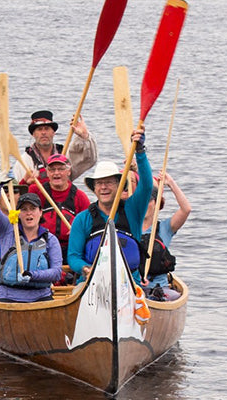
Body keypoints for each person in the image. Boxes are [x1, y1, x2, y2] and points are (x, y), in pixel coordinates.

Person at [65, 129, 154, 284]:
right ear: (94, 188)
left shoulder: (133, 210)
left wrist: (140, 152)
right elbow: (73, 256)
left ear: (119, 185)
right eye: (99, 183)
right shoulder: (82, 219)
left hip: (129, 282)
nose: (103, 187)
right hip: (92, 282)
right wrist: (86, 269)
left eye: (109, 182)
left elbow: (147, 185)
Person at [0, 182, 62, 303]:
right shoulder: (7, 231)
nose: (29, 213)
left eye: (33, 208)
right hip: (8, 295)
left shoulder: (50, 240)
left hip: (41, 296)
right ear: (19, 214)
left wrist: (32, 275)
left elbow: (56, 273)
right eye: (24, 209)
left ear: (40, 212)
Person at [139, 171, 191, 300]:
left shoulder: (165, 228)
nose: (145, 204)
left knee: (171, 297)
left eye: (149, 200)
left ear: (157, 203)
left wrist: (171, 184)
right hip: (134, 287)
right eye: (141, 200)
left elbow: (186, 209)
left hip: (159, 288)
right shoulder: (129, 227)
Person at [32, 153, 90, 261]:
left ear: (69, 171)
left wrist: (78, 228)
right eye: (52, 169)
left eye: (61, 169)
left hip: (69, 248)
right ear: (47, 173)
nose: (56, 173)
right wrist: (25, 181)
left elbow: (89, 225)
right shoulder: (37, 191)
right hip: (42, 245)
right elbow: (21, 211)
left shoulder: (80, 196)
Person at [22, 110, 97, 182]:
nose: (44, 132)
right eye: (39, 129)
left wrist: (84, 136)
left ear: (53, 132)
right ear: (33, 134)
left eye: (47, 129)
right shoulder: (24, 160)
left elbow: (89, 159)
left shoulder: (64, 154)